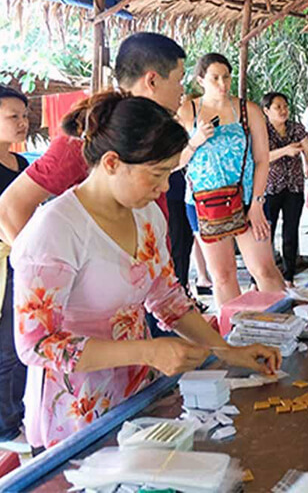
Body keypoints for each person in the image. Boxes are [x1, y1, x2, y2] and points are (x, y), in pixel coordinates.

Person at [11, 93, 281, 449]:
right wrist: (147, 351)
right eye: (156, 174)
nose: (164, 187)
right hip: (76, 409)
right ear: (111, 162)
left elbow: (168, 299)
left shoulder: (147, 215)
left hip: (137, 393)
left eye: (169, 173)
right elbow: (38, 345)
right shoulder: (56, 229)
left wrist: (226, 350)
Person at [0, 32, 185, 247]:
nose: (182, 90)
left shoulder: (156, 132)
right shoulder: (90, 135)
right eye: (179, 80)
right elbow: (10, 208)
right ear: (152, 80)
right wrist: (49, 271)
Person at [176, 53, 284, 308]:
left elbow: (262, 160)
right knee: (222, 276)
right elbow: (174, 162)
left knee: (264, 269)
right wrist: (195, 142)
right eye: (215, 78)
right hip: (204, 204)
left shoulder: (249, 110)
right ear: (201, 80)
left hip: (247, 200)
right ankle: (234, 337)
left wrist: (257, 203)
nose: (223, 84)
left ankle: (284, 326)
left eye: (226, 77)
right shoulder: (188, 111)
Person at [261, 92, 308, 283]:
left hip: (294, 186)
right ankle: (261, 277)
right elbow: (261, 157)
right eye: (278, 107)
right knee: (267, 232)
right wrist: (286, 150)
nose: (283, 110)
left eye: (285, 106)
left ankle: (289, 276)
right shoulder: (261, 130)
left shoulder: (296, 128)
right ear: (266, 110)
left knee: (291, 231)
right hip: (270, 187)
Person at [0, 87, 28, 444]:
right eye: (13, 117)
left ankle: (14, 415)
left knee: (19, 342)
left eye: (24, 116)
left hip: (21, 258)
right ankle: (6, 427)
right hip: (8, 259)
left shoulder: (21, 165)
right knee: (7, 346)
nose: (23, 123)